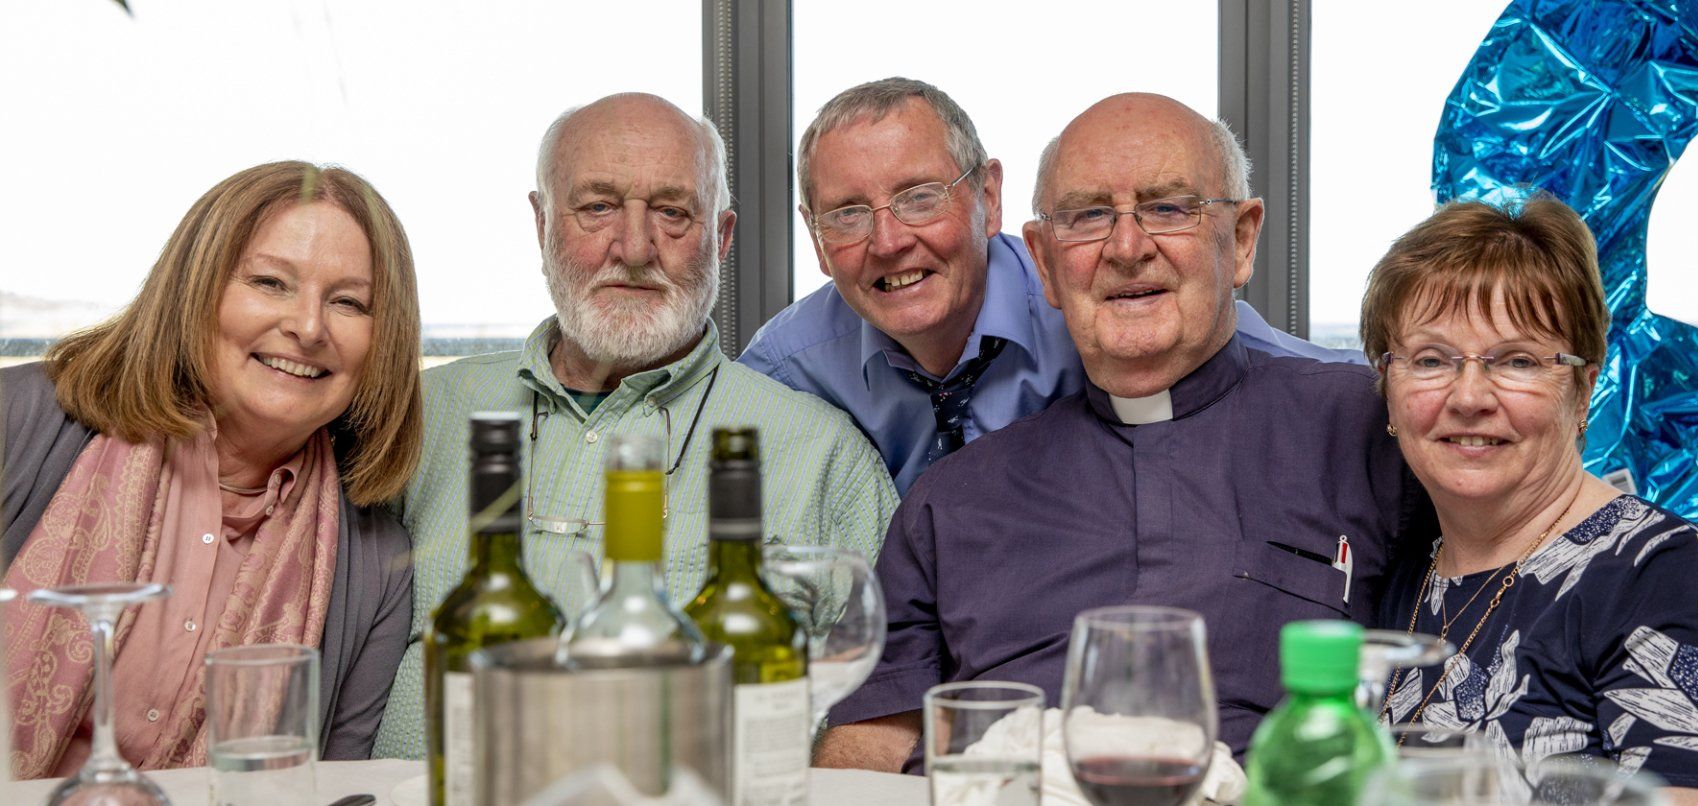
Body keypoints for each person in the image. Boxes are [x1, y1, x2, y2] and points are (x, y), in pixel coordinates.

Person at [818, 93, 1698, 773]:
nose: (1128, 247)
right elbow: (865, 750)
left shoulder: (1374, 419)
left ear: (1241, 239)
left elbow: (1552, 528)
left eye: (1170, 208)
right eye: (1089, 217)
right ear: (1045, 262)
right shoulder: (953, 500)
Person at [369, 93, 898, 758]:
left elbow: (881, 720)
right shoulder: (420, 416)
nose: (635, 248)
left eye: (673, 213)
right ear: (542, 225)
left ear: (722, 238)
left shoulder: (826, 458)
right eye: (597, 207)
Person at [739, 77, 1359, 496]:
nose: (889, 241)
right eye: (847, 214)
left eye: (921, 197)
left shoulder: (1099, 300)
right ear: (815, 239)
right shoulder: (784, 371)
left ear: (989, 197)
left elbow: (1256, 359)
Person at [2, 161, 422, 774]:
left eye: (348, 302)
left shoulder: (378, 568)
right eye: (270, 283)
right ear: (192, 289)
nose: (308, 327)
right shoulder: (15, 424)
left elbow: (335, 789)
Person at [1366, 195, 1698, 803]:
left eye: (1517, 361)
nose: (1469, 397)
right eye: (1431, 360)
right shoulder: (1403, 572)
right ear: (1389, 387)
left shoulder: (1656, 574)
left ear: (1583, 390)